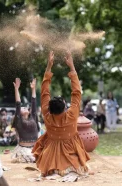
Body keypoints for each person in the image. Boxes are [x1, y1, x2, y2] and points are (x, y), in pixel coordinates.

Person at [32, 51, 90, 181]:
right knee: (78, 167)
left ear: (50, 108)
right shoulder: (71, 114)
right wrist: (72, 67)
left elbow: (44, 92)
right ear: (65, 107)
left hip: (49, 161)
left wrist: (49, 66)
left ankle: (56, 169)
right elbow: (77, 92)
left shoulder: (47, 114)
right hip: (72, 160)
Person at [11, 77, 39, 163]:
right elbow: (18, 104)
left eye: (26, 107)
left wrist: (33, 88)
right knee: (32, 158)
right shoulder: (19, 120)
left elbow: (33, 102)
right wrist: (16, 89)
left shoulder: (33, 117)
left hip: (35, 147)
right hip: (23, 149)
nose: (25, 107)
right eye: (23, 108)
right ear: (19, 113)